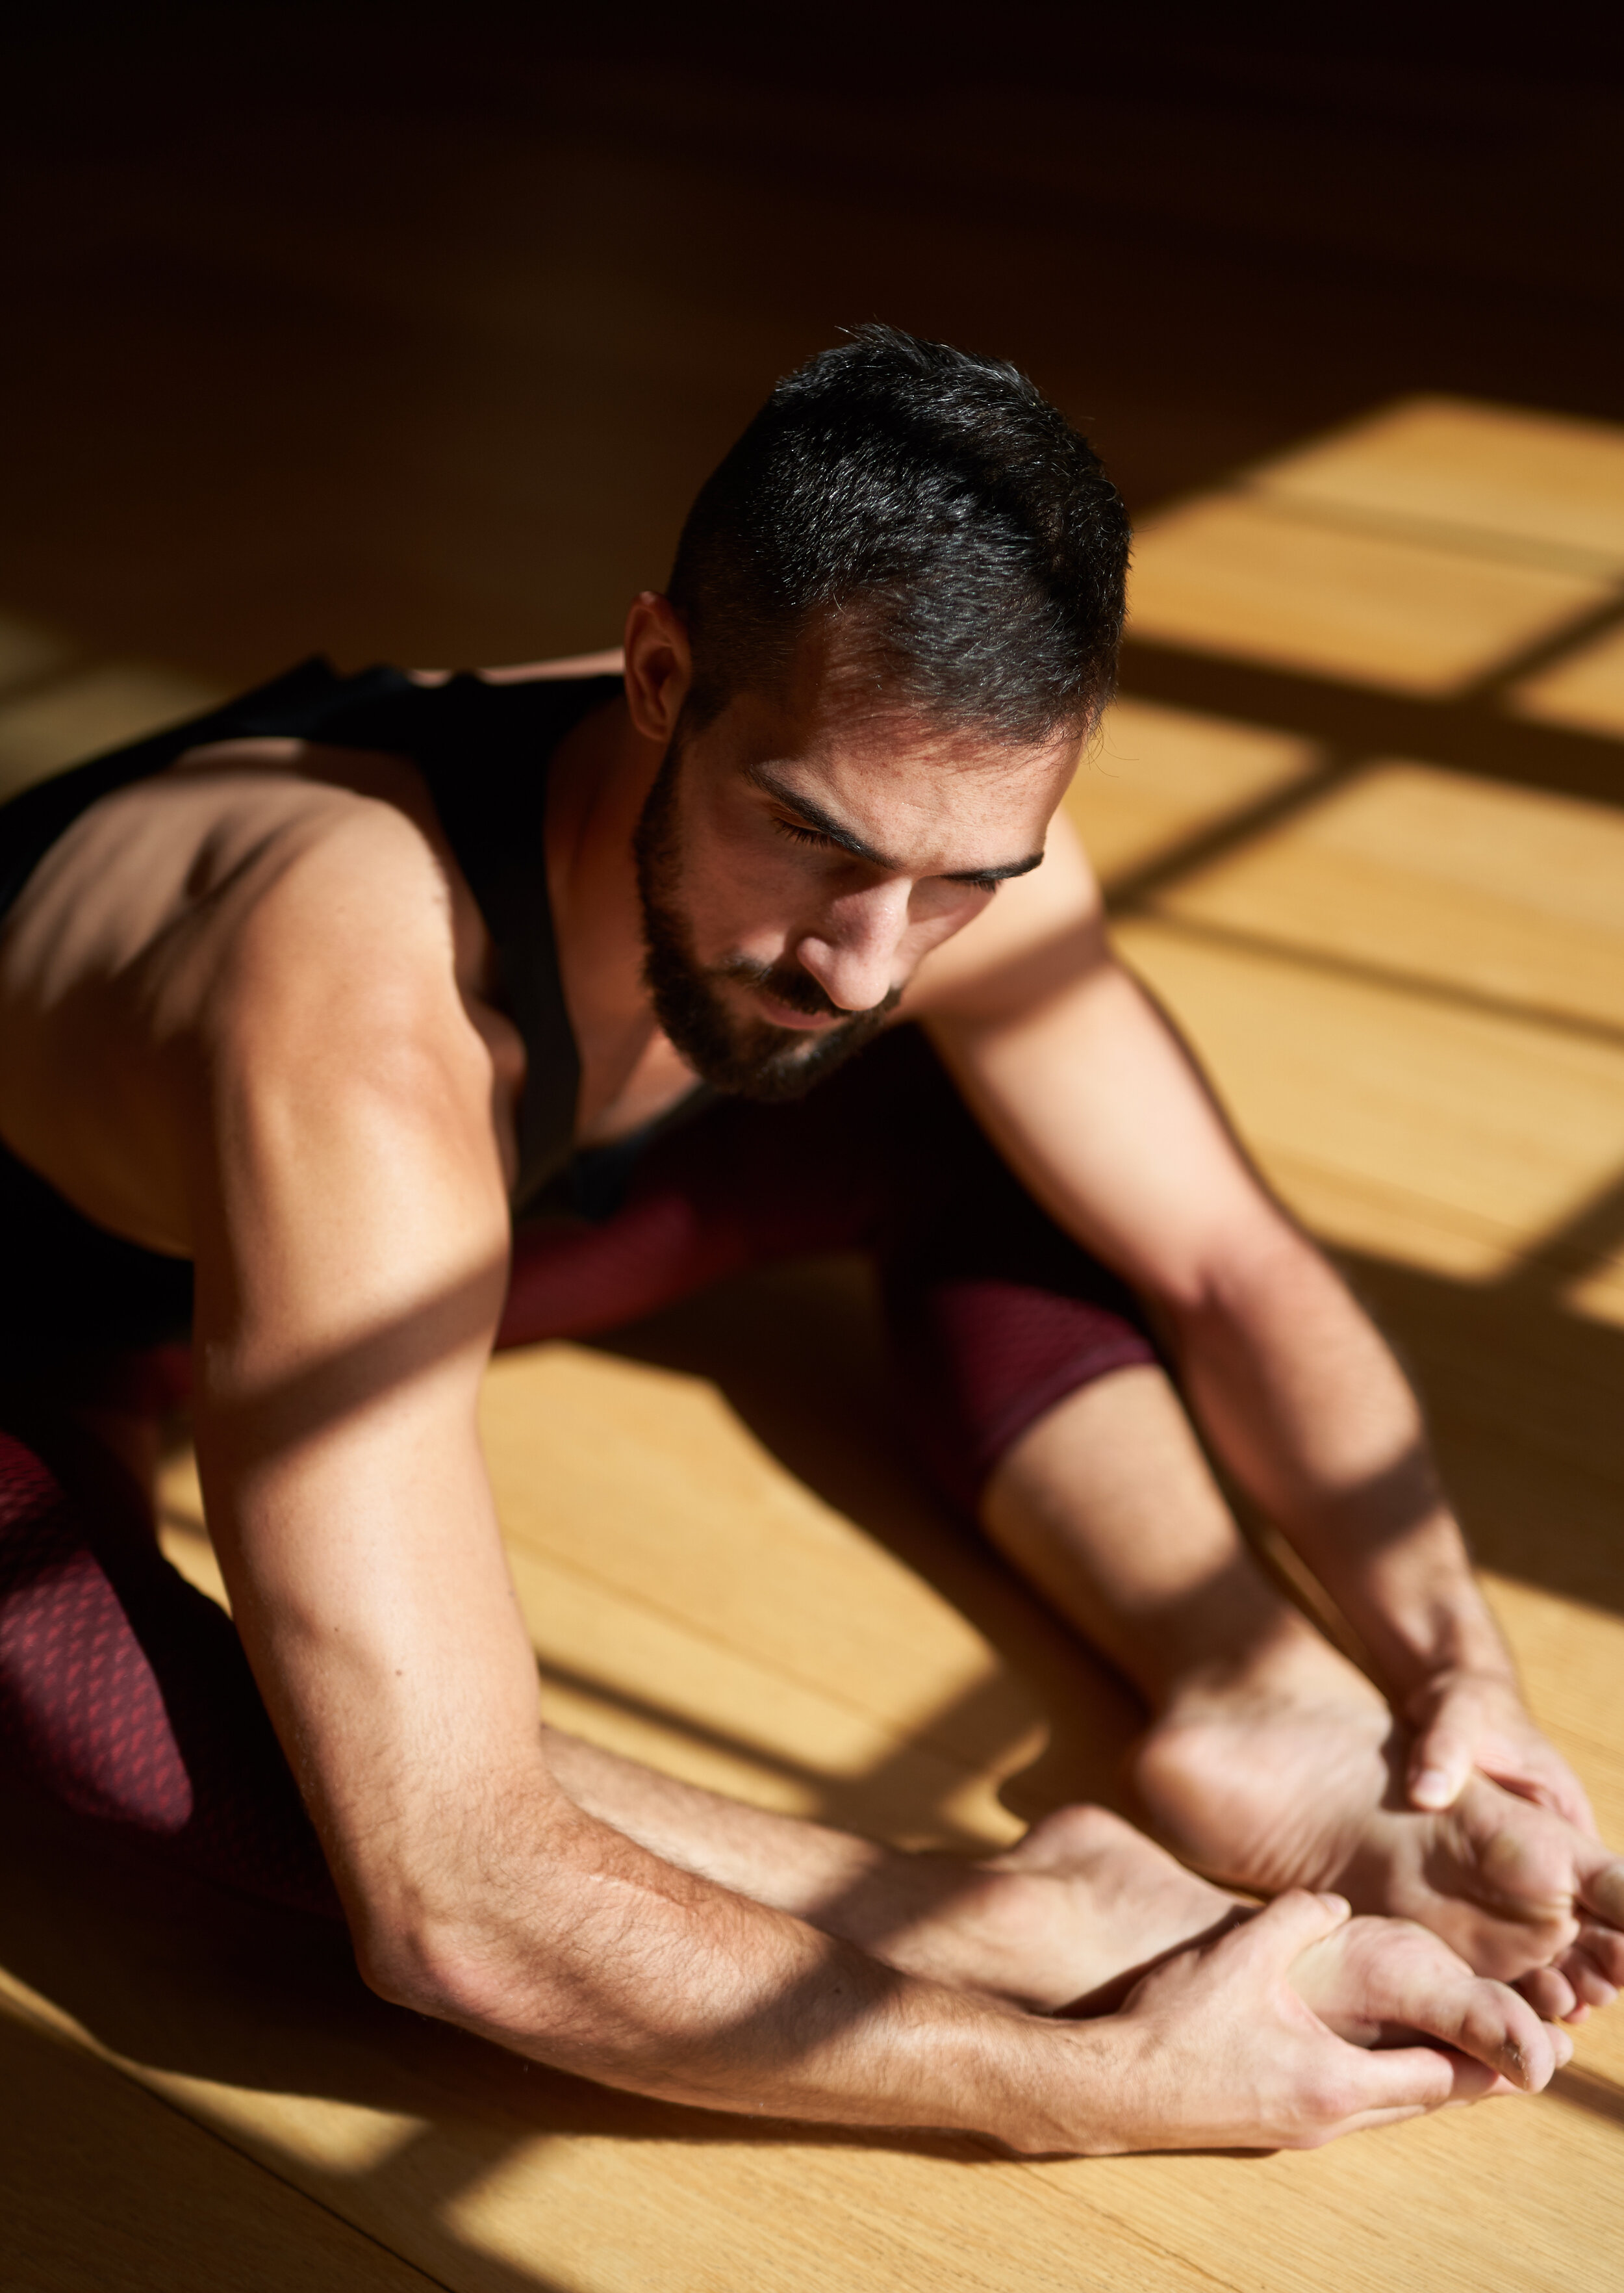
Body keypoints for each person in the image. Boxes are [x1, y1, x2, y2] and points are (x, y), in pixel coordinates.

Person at [0, 328, 1616, 2157]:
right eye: (810, 840)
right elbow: (448, 1899)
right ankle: (1009, 1908)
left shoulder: (921, 863)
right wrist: (1081, 2066)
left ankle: (1257, 1704)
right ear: (657, 669)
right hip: (40, 1294)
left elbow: (1228, 1263)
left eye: (956, 883)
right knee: (92, 1691)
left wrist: (1441, 1667)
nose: (867, 952)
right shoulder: (361, 1007)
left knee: (981, 1117)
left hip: (482, 1207)